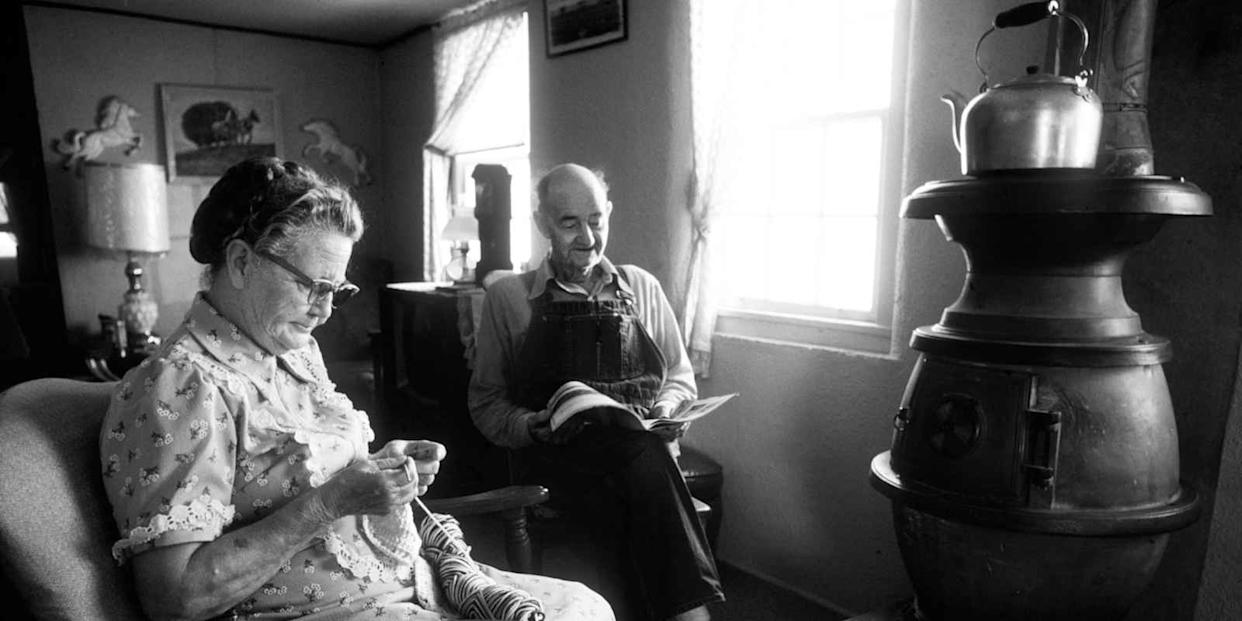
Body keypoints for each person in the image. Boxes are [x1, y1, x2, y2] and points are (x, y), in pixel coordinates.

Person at [99, 156, 613, 621]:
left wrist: (381, 471)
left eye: (336, 291)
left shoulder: (291, 351)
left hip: (408, 587)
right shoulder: (182, 384)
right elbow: (176, 597)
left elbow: (303, 475)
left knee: (588, 607)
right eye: (312, 286)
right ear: (240, 262)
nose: (325, 311)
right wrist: (329, 504)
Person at [469, 163, 725, 621]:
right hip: (556, 465)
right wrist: (531, 425)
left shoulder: (641, 287)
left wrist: (665, 409)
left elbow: (679, 376)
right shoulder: (509, 298)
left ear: (609, 214)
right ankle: (692, 616)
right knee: (645, 464)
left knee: (641, 454)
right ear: (543, 223)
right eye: (569, 223)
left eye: (596, 220)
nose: (587, 236)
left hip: (637, 457)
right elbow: (485, 403)